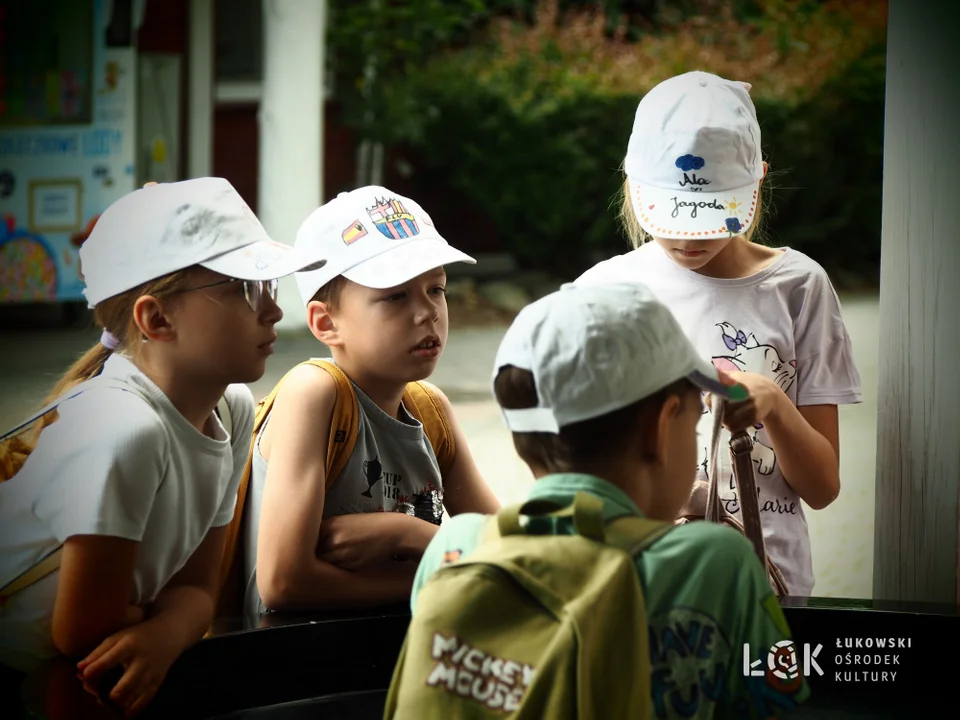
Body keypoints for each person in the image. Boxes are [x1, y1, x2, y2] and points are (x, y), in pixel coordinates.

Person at [0, 178, 327, 716]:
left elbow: (199, 590)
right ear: (155, 319)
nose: (272, 311)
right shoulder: (125, 429)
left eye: (269, 286)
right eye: (245, 288)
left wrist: (163, 630)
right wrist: (168, 617)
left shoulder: (229, 407)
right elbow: (82, 634)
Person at [409, 282, 810, 718]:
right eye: (694, 420)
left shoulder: (453, 551)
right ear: (661, 427)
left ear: (524, 438)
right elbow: (777, 705)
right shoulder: (713, 561)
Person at [574, 71, 863, 596]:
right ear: (633, 186)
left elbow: (822, 487)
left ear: (757, 183)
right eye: (673, 218)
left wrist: (773, 402)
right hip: (643, 590)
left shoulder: (799, 286)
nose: (688, 240)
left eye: (711, 218)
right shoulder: (605, 290)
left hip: (767, 591)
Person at [243, 186, 500, 618]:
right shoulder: (315, 392)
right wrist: (447, 572)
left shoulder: (430, 409)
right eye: (395, 296)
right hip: (303, 674)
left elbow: (507, 547)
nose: (426, 313)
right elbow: (283, 582)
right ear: (326, 323)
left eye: (436, 290)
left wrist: (405, 534)